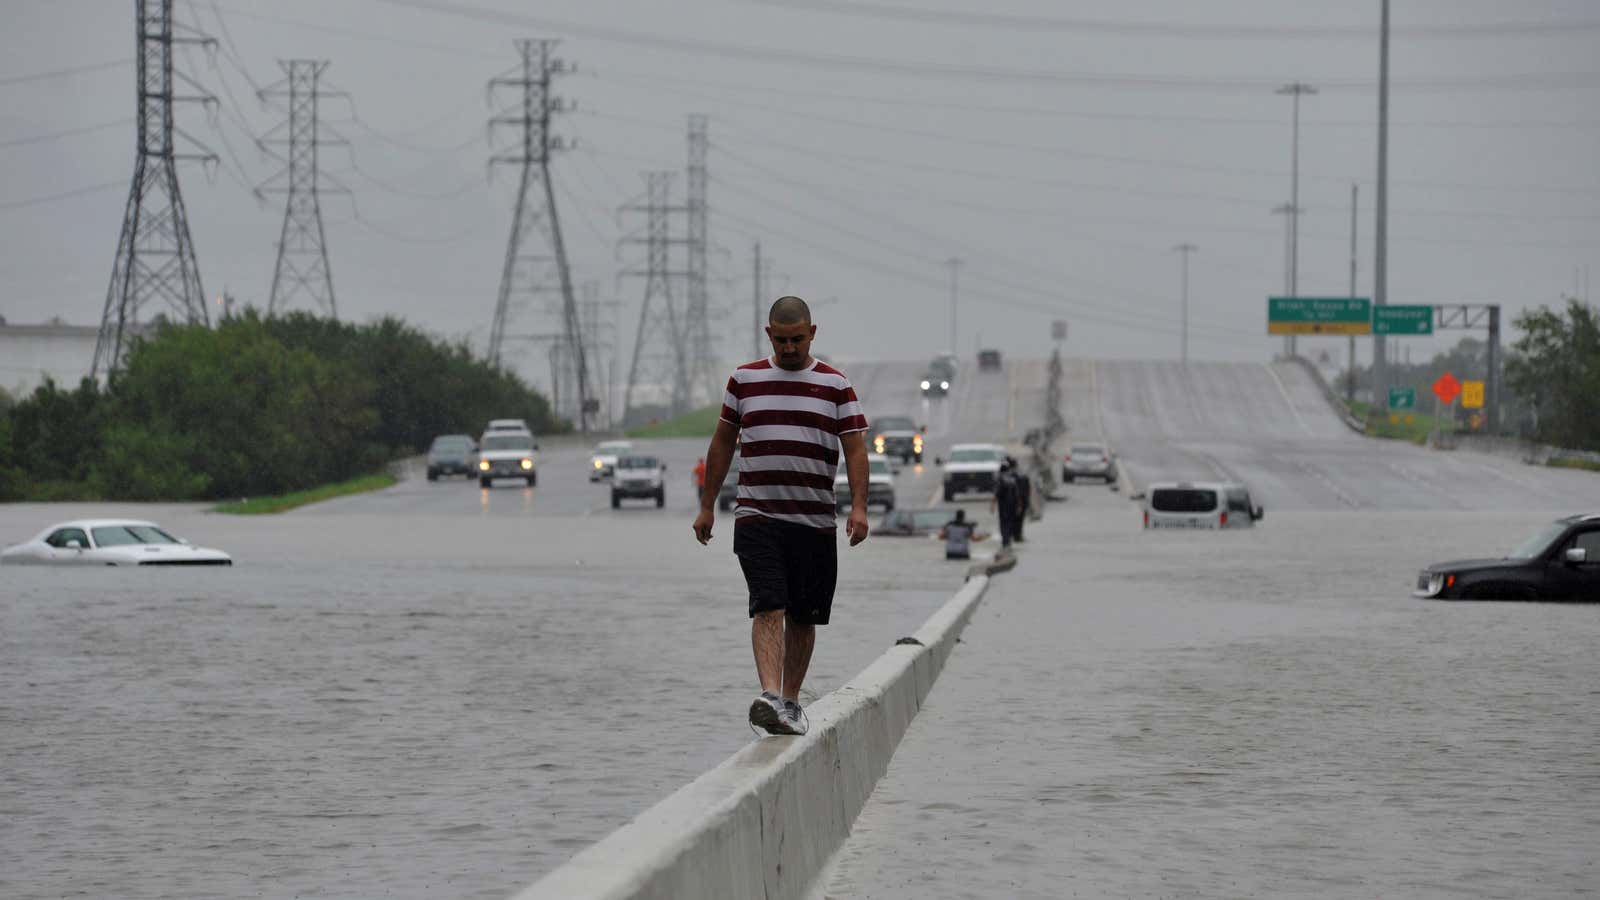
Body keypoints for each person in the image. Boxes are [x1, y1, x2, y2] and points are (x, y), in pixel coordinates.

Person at [693, 296, 871, 737]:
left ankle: (790, 701)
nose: (790, 347)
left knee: (804, 616)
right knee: (768, 603)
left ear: (812, 333)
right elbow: (721, 444)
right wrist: (707, 506)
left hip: (814, 521)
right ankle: (770, 694)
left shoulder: (835, 385)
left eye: (797, 339)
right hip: (758, 516)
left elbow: (855, 449)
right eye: (782, 339)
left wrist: (860, 508)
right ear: (768, 334)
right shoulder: (744, 380)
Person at [993, 458, 1020, 550]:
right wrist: (1018, 506)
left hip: (1003, 507)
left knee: (1003, 524)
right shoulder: (1012, 479)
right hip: (1012, 506)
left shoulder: (1000, 479)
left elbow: (996, 493)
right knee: (1009, 523)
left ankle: (1005, 542)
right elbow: (1017, 494)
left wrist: (992, 505)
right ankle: (1008, 541)